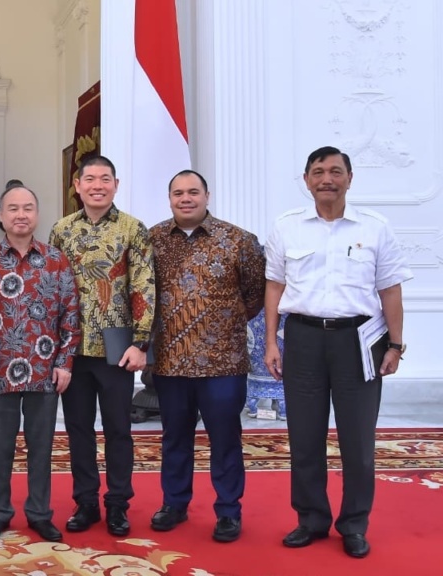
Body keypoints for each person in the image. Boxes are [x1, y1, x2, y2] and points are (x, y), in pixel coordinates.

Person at [264, 146, 413, 559]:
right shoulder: (287, 227)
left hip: (358, 342)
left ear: (350, 177)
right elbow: (274, 287)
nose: (326, 178)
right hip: (304, 340)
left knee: (358, 440)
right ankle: (310, 519)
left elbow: (390, 290)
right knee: (305, 438)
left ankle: (353, 524)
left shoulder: (376, 227)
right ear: (306, 179)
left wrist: (396, 345)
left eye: (335, 171)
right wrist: (271, 341)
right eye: (318, 172)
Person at [148, 170, 266, 543]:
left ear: (207, 195)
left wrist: (217, 325)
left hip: (223, 363)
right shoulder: (151, 240)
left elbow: (255, 294)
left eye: (193, 192)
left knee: (225, 437)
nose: (186, 198)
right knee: (174, 437)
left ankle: (229, 510)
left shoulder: (238, 241)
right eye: (178, 193)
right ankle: (174, 503)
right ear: (169, 198)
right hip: (169, 361)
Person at [0, 185, 80, 543]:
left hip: (45, 371)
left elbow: (71, 314)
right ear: (1, 215)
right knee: (0, 448)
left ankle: (40, 513)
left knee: (41, 447)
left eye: (28, 207)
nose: (21, 214)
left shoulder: (56, 260)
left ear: (37, 214)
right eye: (12, 208)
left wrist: (65, 363)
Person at [48, 154, 155, 537]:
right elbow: (53, 291)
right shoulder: (61, 230)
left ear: (115, 184)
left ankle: (118, 504)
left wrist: (141, 342)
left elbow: (143, 286)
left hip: (117, 349)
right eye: (89, 178)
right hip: (72, 351)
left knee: (118, 430)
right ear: (77, 185)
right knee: (77, 429)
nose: (97, 185)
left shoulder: (132, 229)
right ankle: (86, 502)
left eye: (104, 178)